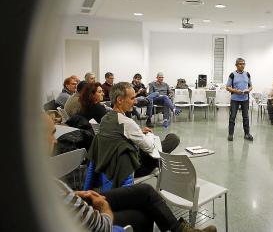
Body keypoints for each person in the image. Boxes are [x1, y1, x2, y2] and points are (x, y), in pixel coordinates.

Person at [43, 115, 216, 232]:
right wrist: (104, 208)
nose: (56, 139)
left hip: (82, 196)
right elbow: (100, 225)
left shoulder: (106, 119)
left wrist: (74, 195)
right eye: (52, 133)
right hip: (91, 212)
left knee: (146, 191)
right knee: (143, 213)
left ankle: (179, 230)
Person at [93, 82, 180, 177]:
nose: (135, 102)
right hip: (132, 168)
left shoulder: (105, 119)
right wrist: (146, 136)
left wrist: (138, 132)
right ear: (120, 100)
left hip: (111, 166)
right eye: (132, 98)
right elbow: (149, 147)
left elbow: (119, 135)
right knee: (173, 138)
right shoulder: (127, 123)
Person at [226, 58, 253, 141]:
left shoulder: (247, 74)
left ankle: (247, 134)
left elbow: (251, 86)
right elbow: (227, 87)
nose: (242, 65)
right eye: (240, 64)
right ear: (236, 65)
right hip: (235, 99)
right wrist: (235, 91)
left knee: (246, 117)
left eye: (243, 64)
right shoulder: (232, 75)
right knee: (232, 117)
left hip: (245, 99)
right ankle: (230, 134)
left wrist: (248, 90)